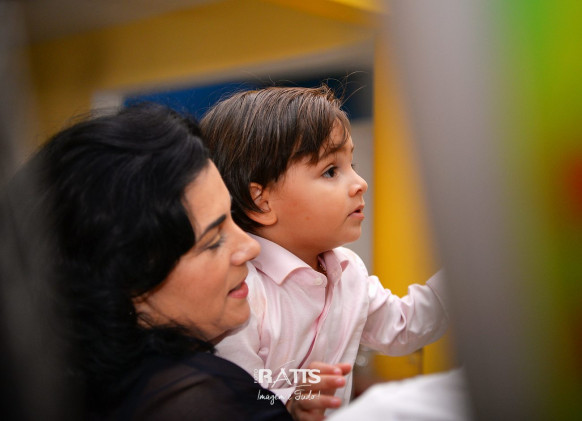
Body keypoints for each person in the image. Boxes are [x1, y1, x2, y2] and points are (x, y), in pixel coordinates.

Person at [1, 103, 347, 420]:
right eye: (213, 240)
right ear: (131, 277)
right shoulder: (196, 398)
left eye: (233, 218)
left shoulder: (73, 389)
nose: (250, 247)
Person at [200, 85, 450, 418]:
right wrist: (289, 403)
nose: (360, 183)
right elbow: (236, 395)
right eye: (331, 170)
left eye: (351, 163)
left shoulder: (348, 270)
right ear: (262, 201)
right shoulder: (242, 290)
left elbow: (403, 327)